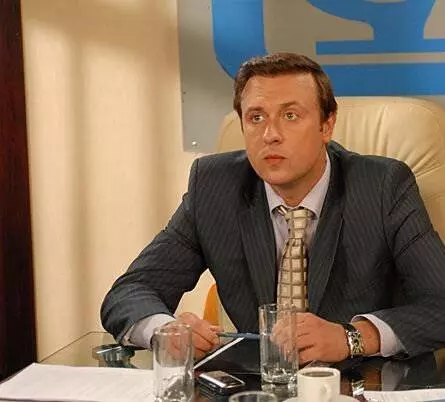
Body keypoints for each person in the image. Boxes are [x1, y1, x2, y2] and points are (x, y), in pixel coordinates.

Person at [101, 53, 445, 363]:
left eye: (290, 115)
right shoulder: (214, 186)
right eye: (256, 117)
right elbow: (130, 291)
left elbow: (440, 304)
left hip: (362, 382)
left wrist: (352, 337)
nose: (270, 134)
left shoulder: (382, 186)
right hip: (258, 386)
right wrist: (165, 331)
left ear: (327, 125)